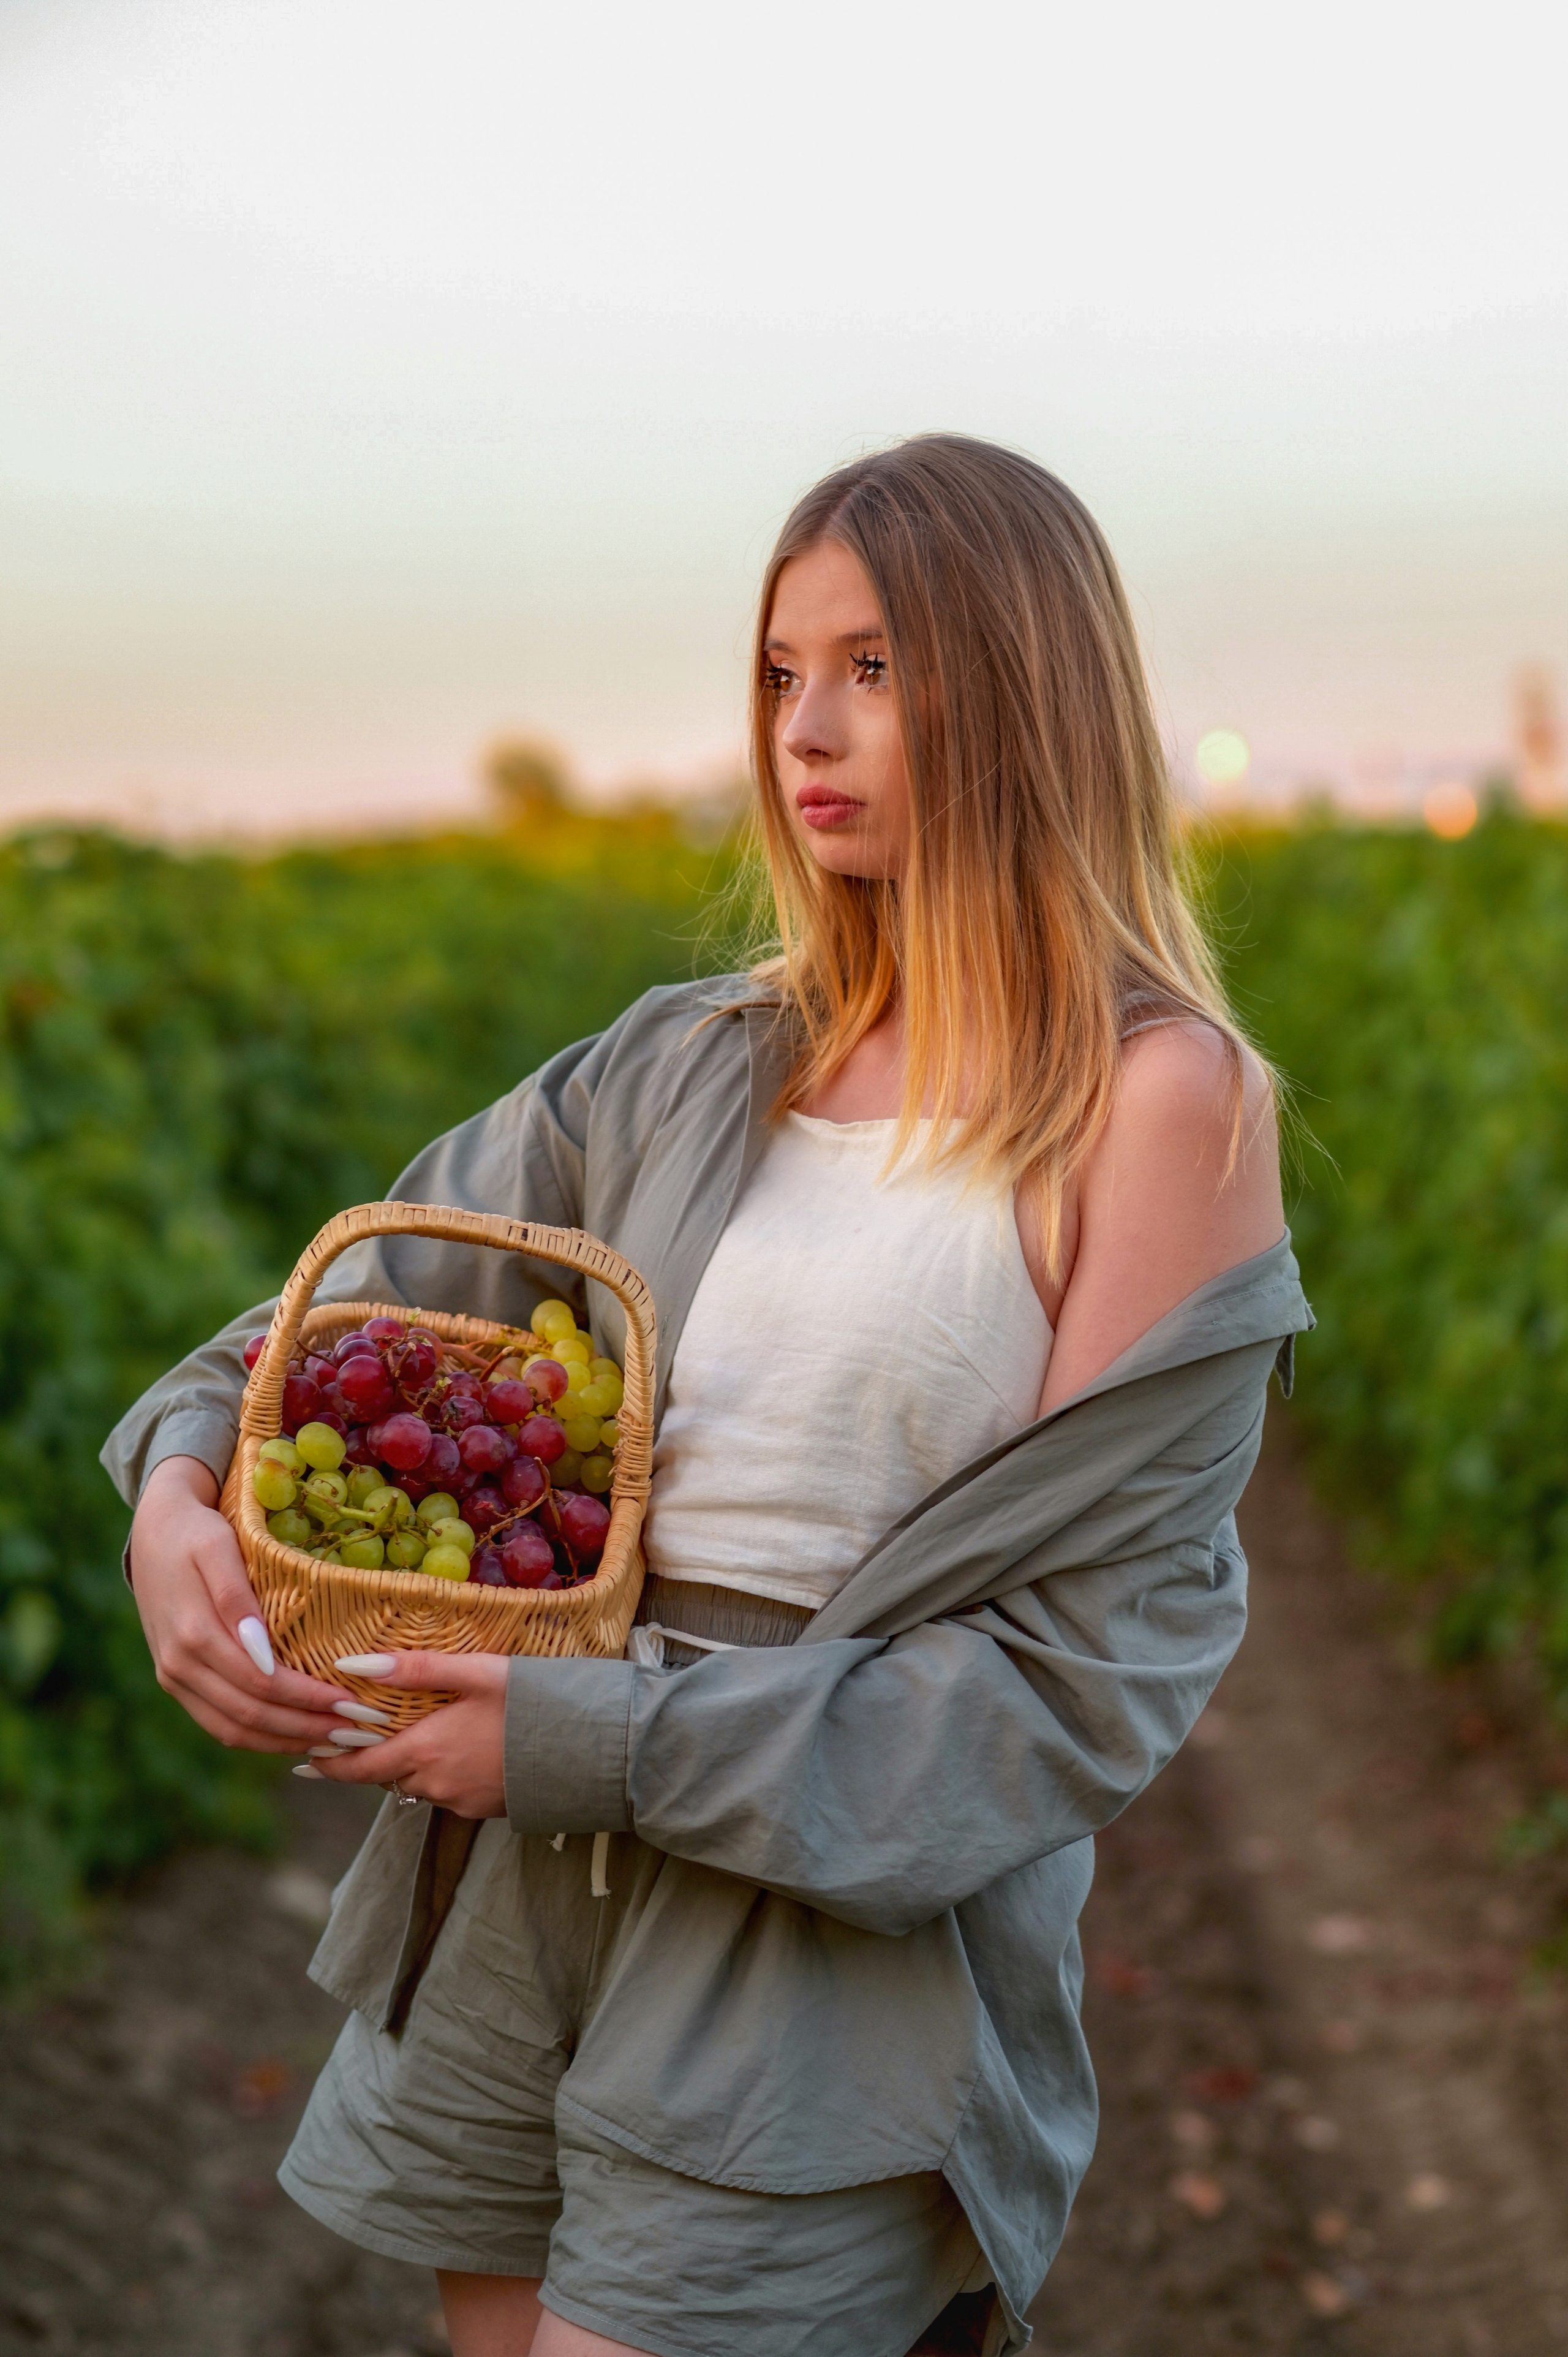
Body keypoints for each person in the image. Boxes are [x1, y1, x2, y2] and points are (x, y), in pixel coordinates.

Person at [105, 434, 1310, 2357]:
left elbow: (1083, 1681)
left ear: (1029, 683)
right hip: (516, 1888)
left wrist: (600, 1743)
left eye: (877, 668)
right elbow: (357, 1316)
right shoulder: (690, 1058)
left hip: (820, 1939)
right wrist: (180, 1485)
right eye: (777, 673)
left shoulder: (1156, 1103)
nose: (804, 731)